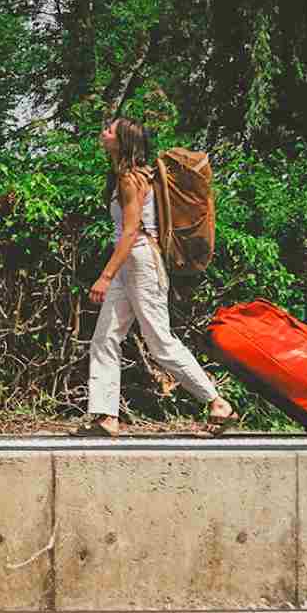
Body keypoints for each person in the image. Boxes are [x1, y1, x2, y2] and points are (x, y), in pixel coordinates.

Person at [73, 117, 237, 437]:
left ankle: (218, 403)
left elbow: (131, 232)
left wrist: (105, 276)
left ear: (123, 141)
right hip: (130, 262)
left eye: (110, 130)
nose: (103, 132)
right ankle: (106, 417)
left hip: (140, 261)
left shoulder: (130, 179)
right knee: (105, 337)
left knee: (160, 342)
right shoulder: (127, 176)